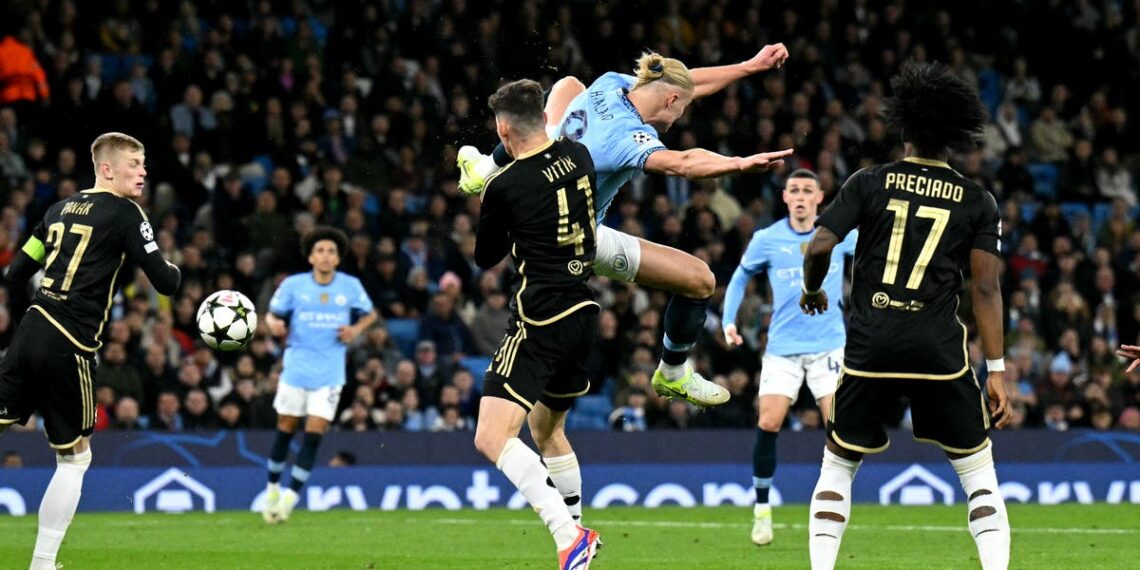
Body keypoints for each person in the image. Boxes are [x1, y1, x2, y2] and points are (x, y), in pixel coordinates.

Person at [458, 47, 792, 409]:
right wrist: (738, 164)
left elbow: (688, 82)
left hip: (543, 193)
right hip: (574, 238)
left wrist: (747, 67)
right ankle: (673, 371)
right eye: (682, 108)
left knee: (568, 86)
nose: (680, 118)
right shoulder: (628, 138)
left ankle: (486, 168)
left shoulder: (611, 84)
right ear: (671, 100)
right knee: (701, 281)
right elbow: (683, 163)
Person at [798, 62, 1011, 570]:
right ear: (955, 135)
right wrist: (997, 371)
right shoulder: (977, 200)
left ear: (904, 127)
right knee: (978, 476)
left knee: (837, 468)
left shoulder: (869, 182)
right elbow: (984, 286)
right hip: (938, 352)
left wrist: (812, 290)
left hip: (871, 347)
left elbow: (818, 246)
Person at [0, 132, 181, 570]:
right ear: (107, 168)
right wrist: (174, 266)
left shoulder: (57, 209)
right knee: (75, 457)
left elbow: (15, 273)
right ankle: (43, 564)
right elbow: (165, 282)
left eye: (144, 164)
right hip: (71, 341)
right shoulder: (125, 214)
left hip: (30, 331)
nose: (143, 172)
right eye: (134, 164)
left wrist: (42, 312)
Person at [470, 79, 601, 570]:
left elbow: (486, 257)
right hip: (583, 311)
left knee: (491, 436)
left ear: (503, 129)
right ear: (543, 118)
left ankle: (570, 538)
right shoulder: (579, 154)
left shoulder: (504, 186)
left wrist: (484, 187)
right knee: (547, 430)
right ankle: (578, 546)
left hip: (539, 315)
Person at [721, 168, 857, 546]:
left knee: (840, 428)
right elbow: (738, 277)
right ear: (785, 198)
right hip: (782, 348)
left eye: (806, 190)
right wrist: (729, 320)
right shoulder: (767, 239)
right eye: (793, 190)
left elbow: (877, 254)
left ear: (819, 197)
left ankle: (834, 501)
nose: (799, 196)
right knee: (769, 421)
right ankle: (762, 510)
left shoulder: (836, 235)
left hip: (829, 345)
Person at [261, 226, 377, 524]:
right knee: (285, 429)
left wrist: (355, 330)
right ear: (311, 257)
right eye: (320, 251)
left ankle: (290, 498)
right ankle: (273, 488)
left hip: (329, 373)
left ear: (338, 259)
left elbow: (371, 314)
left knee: (313, 434)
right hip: (296, 368)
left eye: (331, 252)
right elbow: (271, 314)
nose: (326, 256)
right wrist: (274, 324)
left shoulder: (350, 286)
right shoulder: (293, 285)